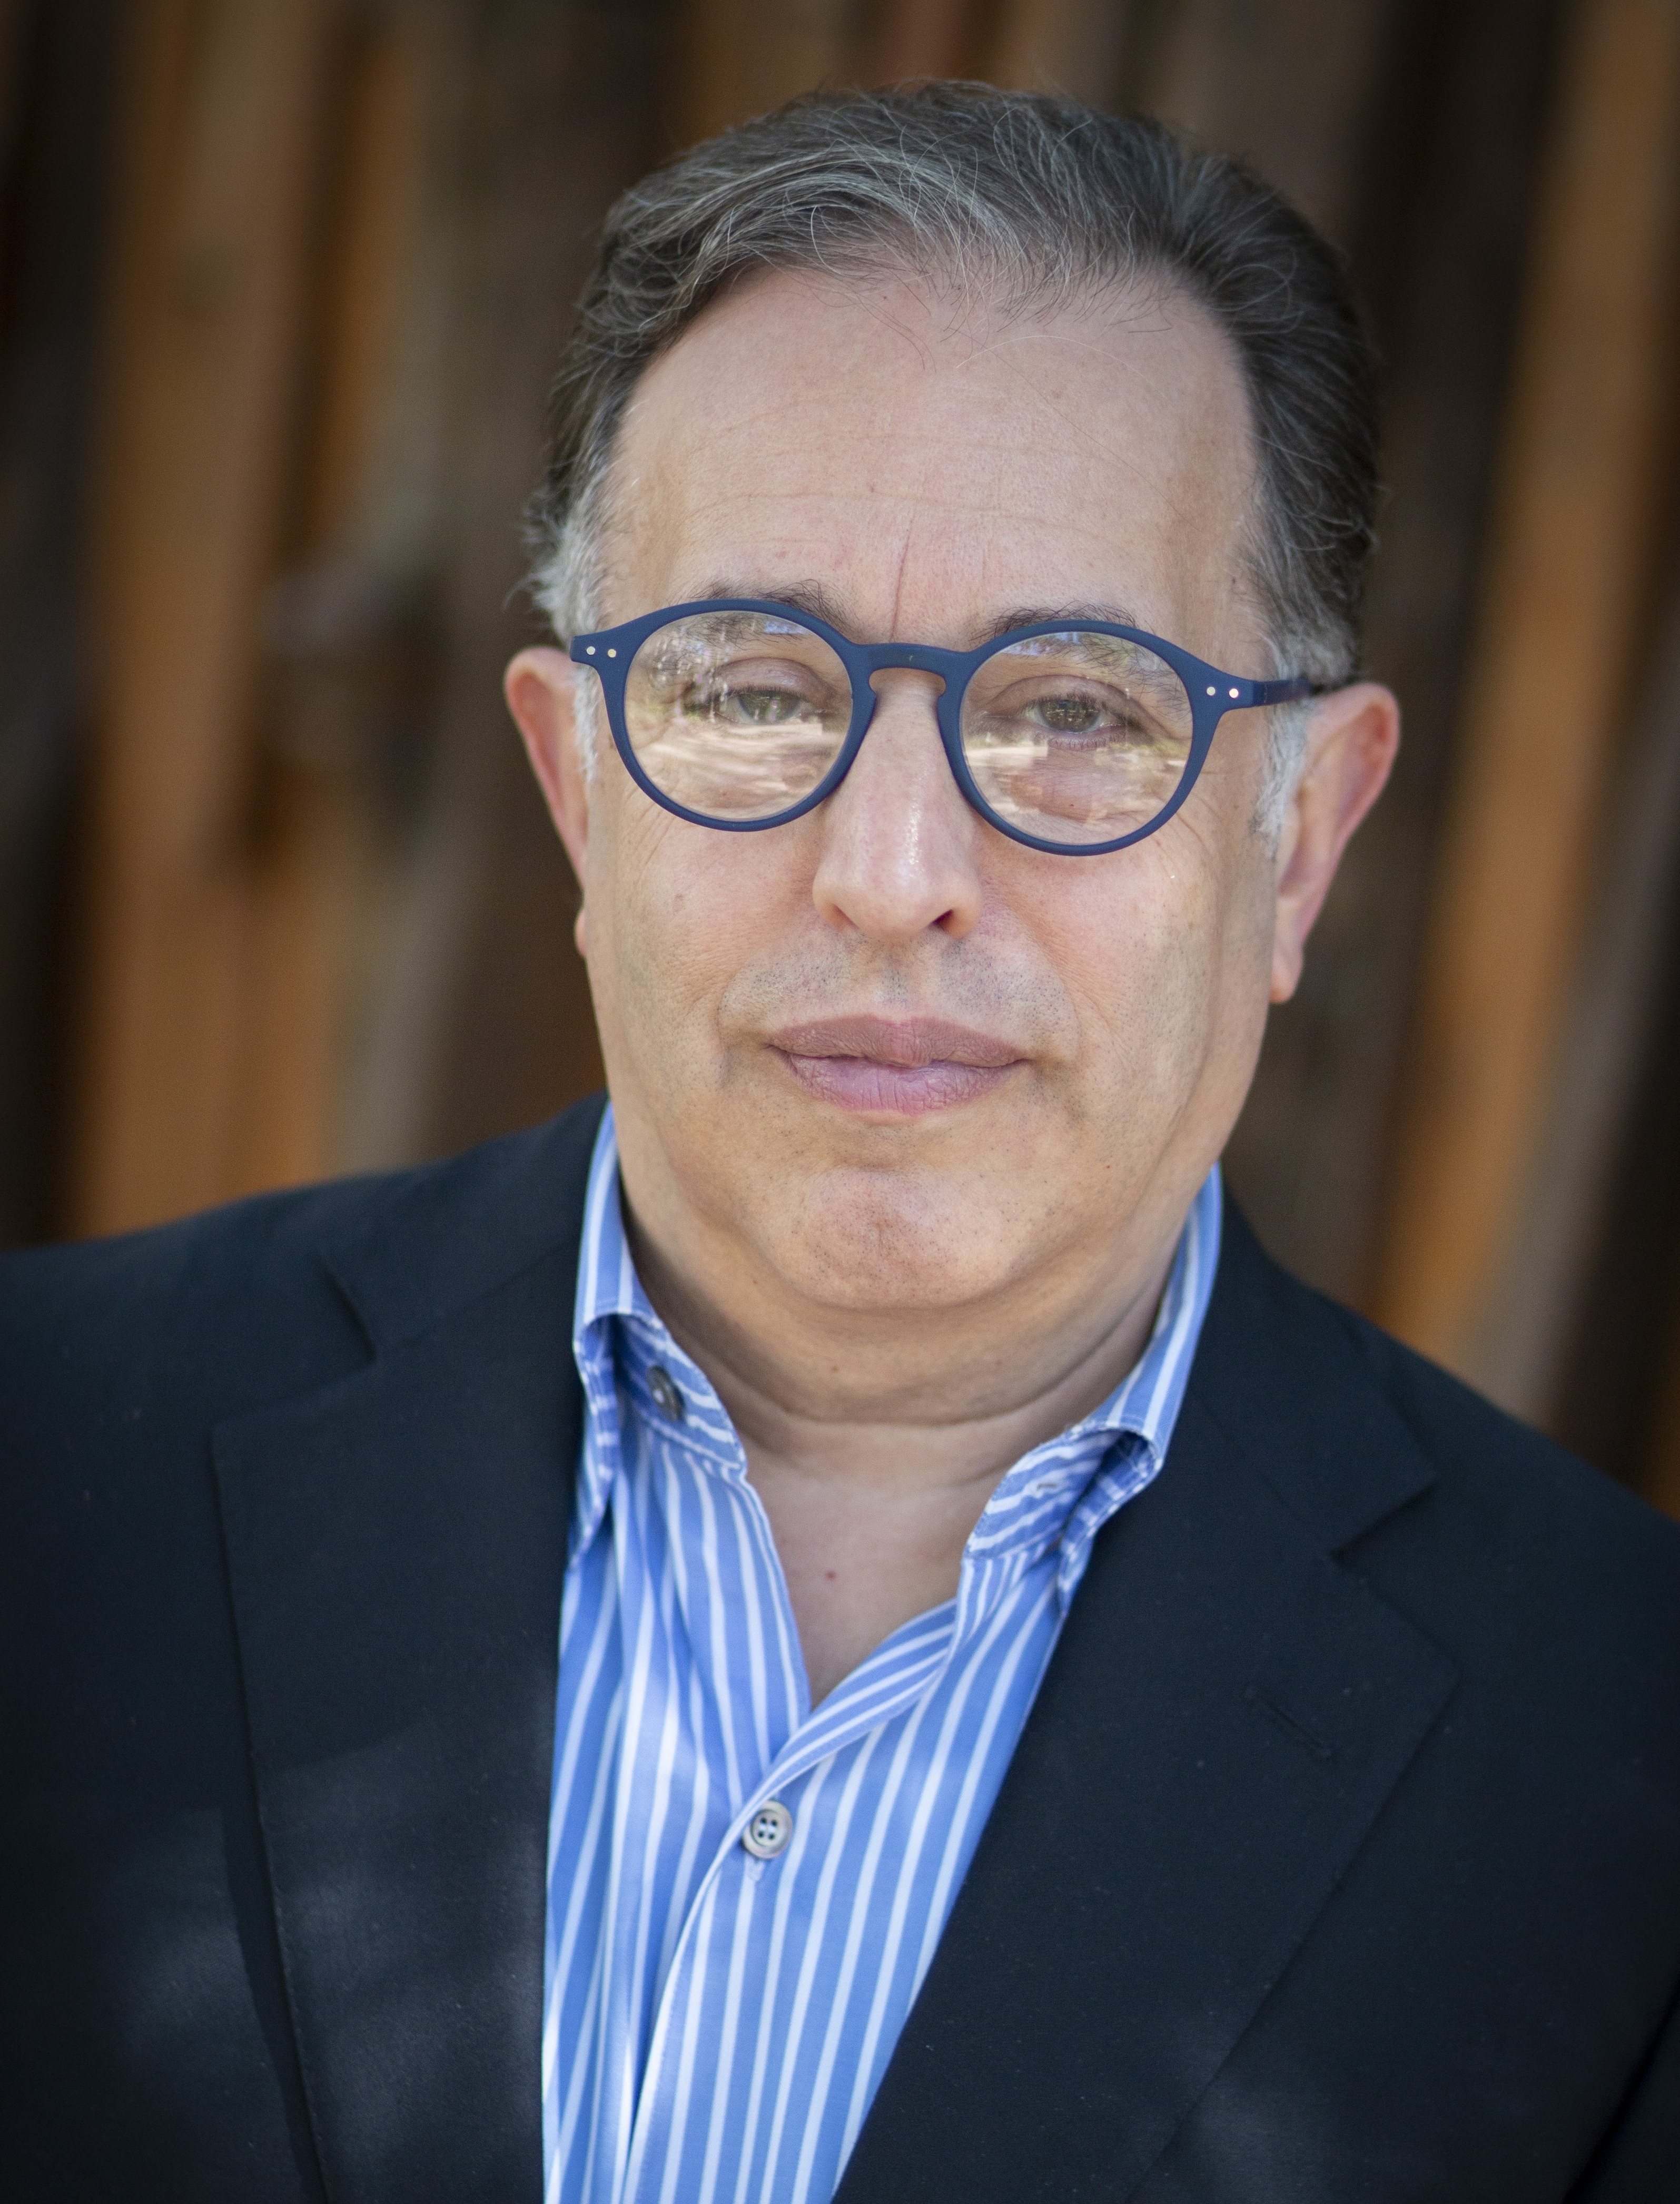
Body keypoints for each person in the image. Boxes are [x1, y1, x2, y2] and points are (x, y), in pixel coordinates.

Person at [3, 83, 1677, 2204]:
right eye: (755, 688)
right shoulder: (41, 1467)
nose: (892, 872)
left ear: (1301, 840)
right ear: (578, 785)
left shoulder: (1629, 1762)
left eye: (1078, 707)